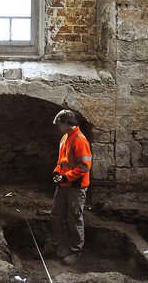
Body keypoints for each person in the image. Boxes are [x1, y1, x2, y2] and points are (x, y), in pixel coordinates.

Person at [42, 109, 92, 265]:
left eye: (59, 125)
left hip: (76, 187)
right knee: (55, 215)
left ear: (66, 123)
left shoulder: (80, 140)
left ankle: (75, 252)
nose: (58, 128)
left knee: (74, 219)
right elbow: (61, 161)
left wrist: (65, 177)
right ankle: (53, 245)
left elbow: (84, 166)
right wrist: (57, 172)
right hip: (63, 183)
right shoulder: (65, 138)